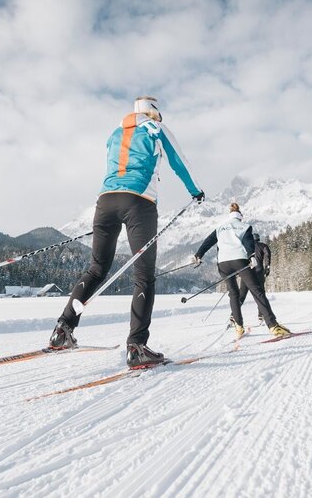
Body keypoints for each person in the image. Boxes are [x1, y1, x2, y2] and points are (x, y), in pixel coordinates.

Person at [49, 96, 205, 368]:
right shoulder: (155, 129)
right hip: (139, 203)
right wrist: (196, 191)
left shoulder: (115, 132)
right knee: (144, 276)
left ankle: (63, 329)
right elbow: (179, 161)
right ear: (154, 113)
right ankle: (137, 346)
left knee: (96, 269)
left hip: (106, 201)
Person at [193, 203, 290, 339]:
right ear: (240, 216)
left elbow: (208, 242)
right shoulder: (245, 227)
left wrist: (198, 255)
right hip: (240, 261)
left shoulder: (220, 228)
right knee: (257, 291)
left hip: (223, 263)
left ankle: (239, 327)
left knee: (233, 294)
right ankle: (273, 326)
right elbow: (249, 244)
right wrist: (251, 257)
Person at [237, 233, 271, 326]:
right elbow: (267, 255)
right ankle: (261, 315)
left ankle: (234, 316)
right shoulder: (263, 246)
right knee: (260, 294)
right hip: (259, 273)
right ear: (258, 238)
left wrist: (238, 272)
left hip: (246, 273)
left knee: (242, 294)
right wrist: (267, 267)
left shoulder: (244, 247)